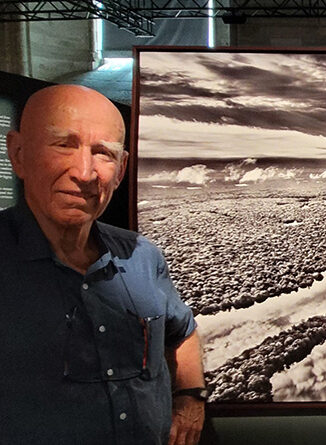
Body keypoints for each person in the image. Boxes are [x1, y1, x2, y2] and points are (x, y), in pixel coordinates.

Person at [0, 85, 206, 445]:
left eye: (103, 153)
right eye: (63, 144)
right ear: (18, 154)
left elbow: (181, 331)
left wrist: (190, 399)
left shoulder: (141, 256)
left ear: (122, 169)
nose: (84, 172)